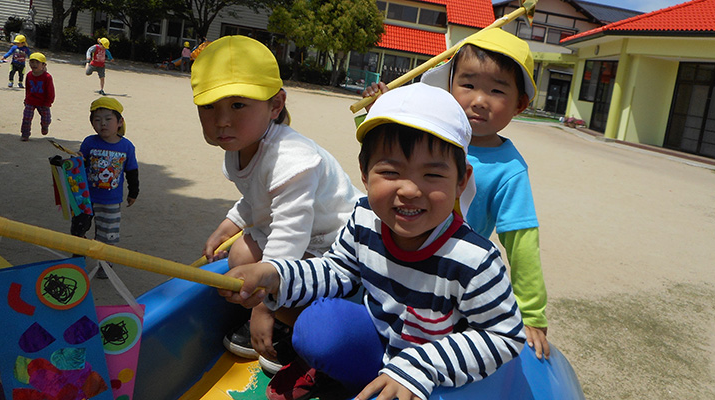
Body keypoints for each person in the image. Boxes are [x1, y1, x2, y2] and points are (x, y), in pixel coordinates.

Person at [219, 83, 525, 400]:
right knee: (318, 326)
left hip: (434, 373)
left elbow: (504, 335)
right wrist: (275, 274)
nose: (409, 190)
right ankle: (336, 376)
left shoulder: (474, 259)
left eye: (432, 175)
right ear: (365, 175)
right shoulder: (365, 218)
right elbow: (337, 271)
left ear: (461, 181)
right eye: (391, 172)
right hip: (376, 345)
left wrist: (421, 366)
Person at [362, 28, 551, 359]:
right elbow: (384, 157)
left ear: (520, 103)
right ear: (449, 86)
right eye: (468, 85)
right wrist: (382, 110)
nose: (479, 100)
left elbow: (521, 241)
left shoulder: (509, 170)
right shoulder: (428, 130)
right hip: (396, 257)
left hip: (450, 277)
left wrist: (532, 315)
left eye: (496, 90)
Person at [190, 35, 362, 375]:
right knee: (239, 252)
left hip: (334, 244)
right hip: (299, 233)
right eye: (209, 107)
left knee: (258, 270)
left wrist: (265, 309)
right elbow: (256, 196)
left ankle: (288, 324)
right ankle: (277, 310)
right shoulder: (241, 146)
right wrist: (229, 224)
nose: (222, 120)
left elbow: (290, 234)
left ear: (275, 105)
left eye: (238, 105)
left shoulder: (293, 160)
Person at [71, 97, 139, 278]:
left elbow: (132, 171)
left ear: (119, 122)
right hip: (85, 197)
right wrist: (77, 159)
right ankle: (77, 258)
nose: (102, 124)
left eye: (108, 119)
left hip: (110, 201)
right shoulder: (89, 142)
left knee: (106, 233)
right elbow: (79, 166)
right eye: (97, 120)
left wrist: (133, 192)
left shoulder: (126, 146)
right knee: (79, 229)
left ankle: (105, 263)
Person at [20, 52, 55, 141]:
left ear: (43, 65)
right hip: (31, 101)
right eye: (32, 62)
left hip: (43, 102)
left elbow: (50, 91)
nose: (34, 64)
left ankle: (44, 126)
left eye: (37, 62)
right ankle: (25, 134)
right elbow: (28, 88)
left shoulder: (47, 77)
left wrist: (48, 103)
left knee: (46, 119)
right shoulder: (29, 75)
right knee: (26, 118)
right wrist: (26, 99)